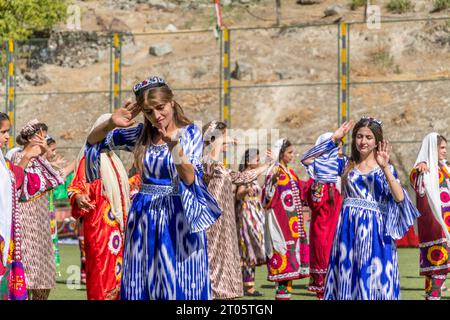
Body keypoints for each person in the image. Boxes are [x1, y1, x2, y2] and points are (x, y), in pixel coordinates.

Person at [85, 76, 221, 300]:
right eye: (149, 111)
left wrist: (174, 146)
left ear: (172, 102)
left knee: (182, 283)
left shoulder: (190, 133)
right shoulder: (140, 134)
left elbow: (189, 178)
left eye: (160, 108)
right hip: (144, 216)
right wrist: (111, 122)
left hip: (179, 216)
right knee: (142, 281)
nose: (157, 116)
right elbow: (93, 141)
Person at [302, 117, 420, 300]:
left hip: (377, 232)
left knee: (375, 281)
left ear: (377, 142)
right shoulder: (345, 164)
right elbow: (308, 160)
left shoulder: (384, 167)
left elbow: (400, 197)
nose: (363, 141)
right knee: (348, 279)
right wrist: (333, 139)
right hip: (348, 230)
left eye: (368, 137)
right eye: (359, 136)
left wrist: (386, 168)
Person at [68, 114, 136, 300]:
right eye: (107, 131)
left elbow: (124, 188)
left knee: (119, 275)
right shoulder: (89, 158)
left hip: (118, 228)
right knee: (101, 272)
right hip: (100, 226)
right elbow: (76, 186)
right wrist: (79, 196)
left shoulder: (114, 159)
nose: (110, 136)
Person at [202, 123, 272, 299]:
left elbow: (241, 177)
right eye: (223, 135)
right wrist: (218, 142)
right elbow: (207, 167)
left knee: (223, 258)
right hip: (212, 220)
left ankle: (222, 293)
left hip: (225, 220)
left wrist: (267, 165)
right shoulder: (204, 161)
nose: (228, 139)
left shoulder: (221, 166)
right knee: (211, 257)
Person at [11, 119, 65, 300]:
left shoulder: (41, 161)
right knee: (27, 272)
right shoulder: (18, 157)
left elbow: (57, 178)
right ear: (30, 137)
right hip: (25, 223)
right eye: (40, 135)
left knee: (43, 276)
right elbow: (16, 182)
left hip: (41, 222)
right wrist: (31, 156)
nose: (44, 139)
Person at [0, 113, 52, 300]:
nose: (7, 136)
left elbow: (17, 180)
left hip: (16, 228)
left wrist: (32, 156)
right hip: (21, 224)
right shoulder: (12, 157)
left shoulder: (4, 161)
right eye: (3, 132)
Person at [261, 138, 309, 300]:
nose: (292, 155)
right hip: (279, 227)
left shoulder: (290, 173)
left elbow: (302, 191)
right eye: (289, 152)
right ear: (280, 154)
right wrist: (272, 179)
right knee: (283, 271)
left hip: (293, 228)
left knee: (289, 273)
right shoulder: (274, 172)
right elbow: (266, 199)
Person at [301, 133, 344, 299]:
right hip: (324, 233)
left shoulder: (338, 174)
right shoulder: (319, 177)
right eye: (334, 146)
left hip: (338, 232)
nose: (339, 149)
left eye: (339, 145)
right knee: (324, 285)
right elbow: (316, 203)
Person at [410, 133, 450, 300]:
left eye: (445, 148)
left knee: (437, 272)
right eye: (442, 148)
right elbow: (418, 187)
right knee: (437, 270)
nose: (445, 151)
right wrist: (421, 169)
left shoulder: (445, 167)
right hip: (435, 228)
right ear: (431, 149)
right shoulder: (420, 170)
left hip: (446, 226)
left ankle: (432, 297)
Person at [235, 148, 267, 297]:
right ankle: (247, 286)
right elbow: (239, 193)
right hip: (247, 216)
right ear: (248, 161)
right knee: (248, 250)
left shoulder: (252, 177)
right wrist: (245, 192)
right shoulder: (245, 177)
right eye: (256, 159)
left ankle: (247, 284)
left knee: (252, 250)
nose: (259, 161)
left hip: (255, 217)